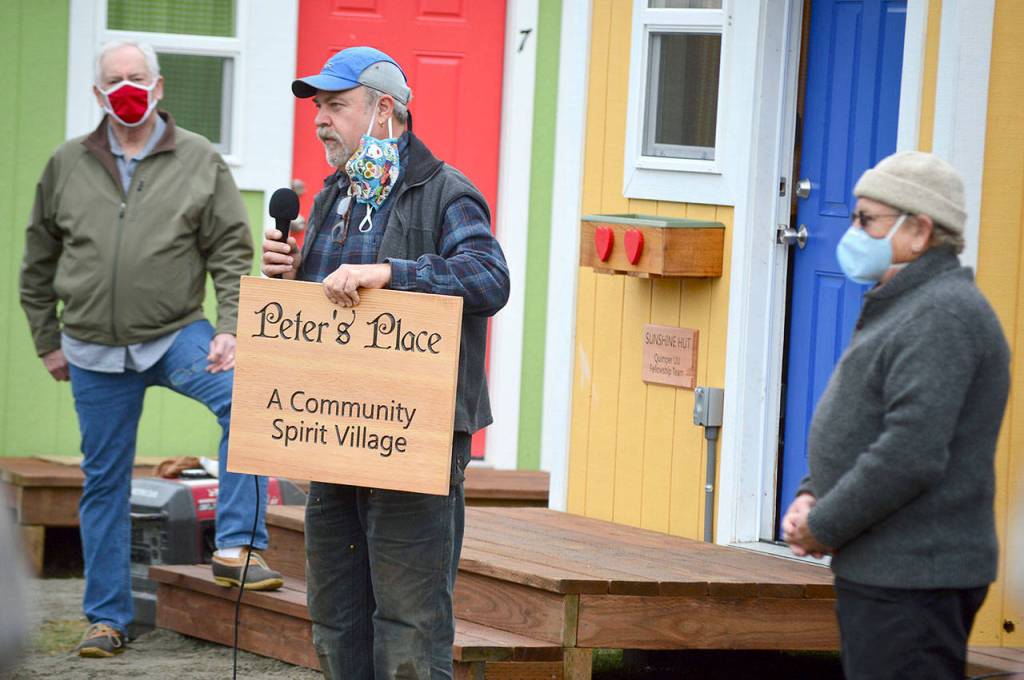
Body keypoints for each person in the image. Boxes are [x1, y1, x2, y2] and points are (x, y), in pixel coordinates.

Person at [19, 40, 282, 658]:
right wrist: (47, 341)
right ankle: (107, 620)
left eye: (136, 77)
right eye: (114, 80)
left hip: (176, 334)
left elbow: (230, 250)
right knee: (104, 481)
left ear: (158, 86)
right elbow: (38, 258)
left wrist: (230, 326)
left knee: (246, 400)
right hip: (92, 350)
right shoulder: (66, 164)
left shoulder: (199, 159)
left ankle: (238, 547)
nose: (126, 88)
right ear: (98, 93)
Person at [262, 46, 510, 679]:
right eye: (318, 108)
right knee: (335, 616)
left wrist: (393, 273)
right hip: (337, 430)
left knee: (410, 625)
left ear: (384, 111)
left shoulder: (447, 192)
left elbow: (489, 279)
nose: (320, 120)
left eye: (335, 106)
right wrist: (290, 280)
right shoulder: (333, 197)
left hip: (414, 435)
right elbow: (330, 312)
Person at [783, 151, 1011, 680]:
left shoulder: (942, 314)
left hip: (915, 575)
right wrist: (813, 491)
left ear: (920, 230)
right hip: (886, 569)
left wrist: (824, 525)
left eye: (867, 219)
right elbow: (865, 418)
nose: (852, 232)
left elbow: (910, 452)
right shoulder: (906, 302)